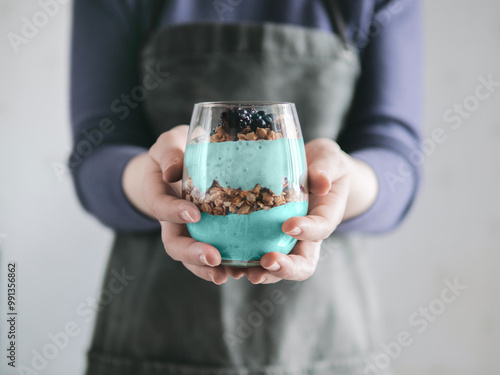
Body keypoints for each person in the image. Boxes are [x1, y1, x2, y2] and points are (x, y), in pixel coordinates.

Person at [70, 0, 421, 374]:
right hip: (156, 325)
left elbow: (398, 161)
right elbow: (96, 152)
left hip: (321, 334)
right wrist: (155, 183)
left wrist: (340, 183)